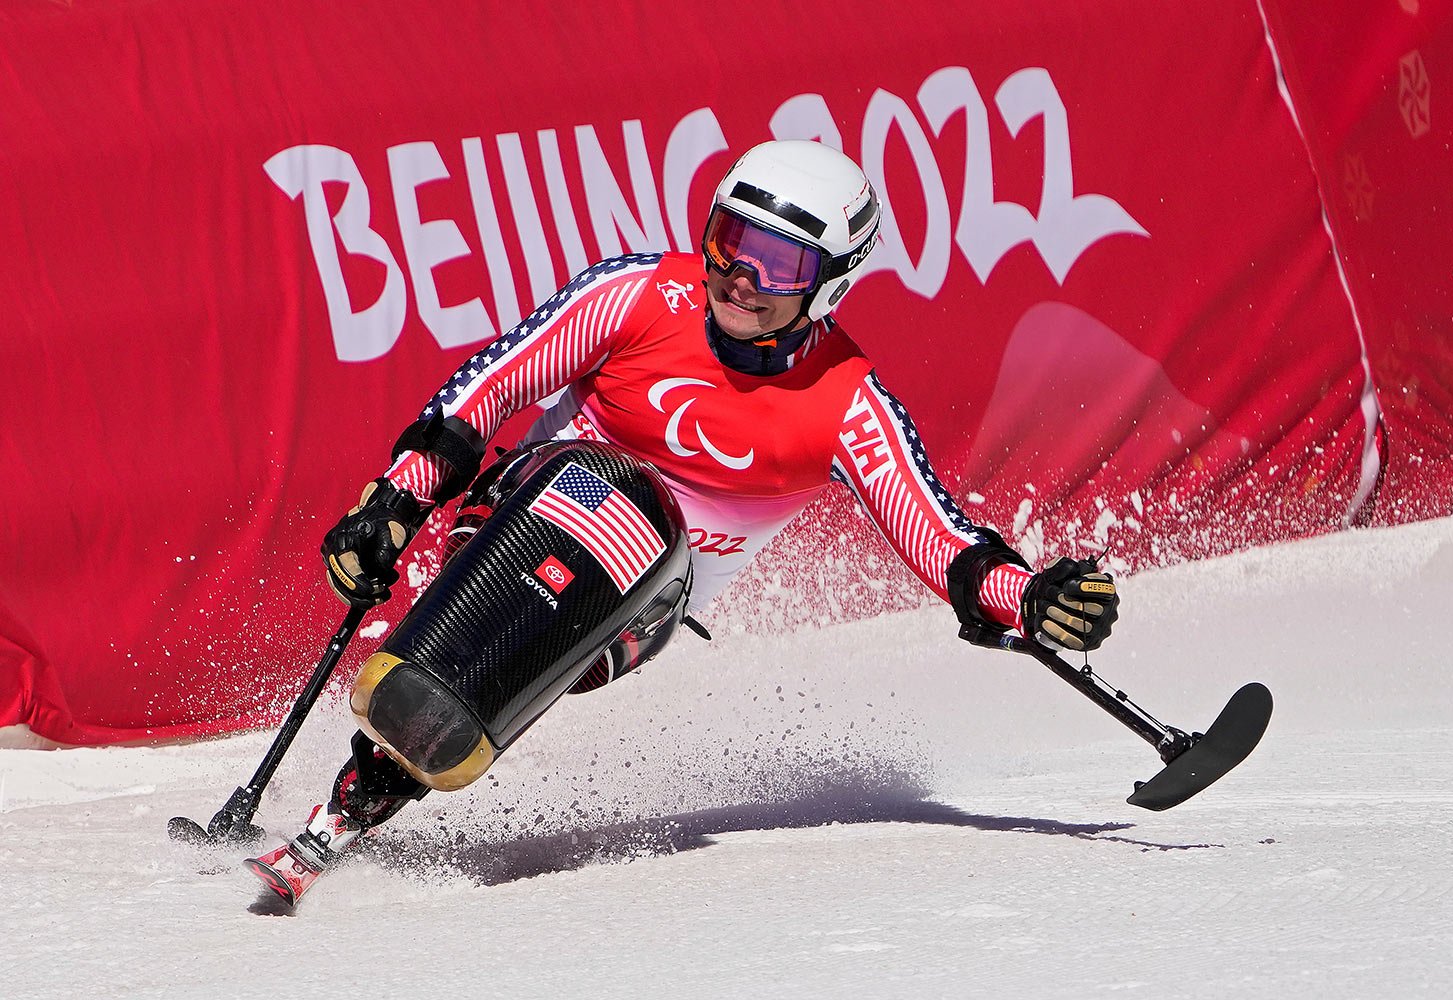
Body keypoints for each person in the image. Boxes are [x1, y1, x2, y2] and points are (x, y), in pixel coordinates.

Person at [246, 140, 1120, 905]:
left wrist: (1027, 592)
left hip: (642, 610)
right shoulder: (635, 296)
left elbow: (938, 536)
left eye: (779, 265)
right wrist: (396, 501)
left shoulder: (849, 403)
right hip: (523, 509)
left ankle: (380, 774)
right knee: (601, 490)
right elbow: (492, 385)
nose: (742, 277)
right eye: (732, 242)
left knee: (635, 518)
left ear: (832, 283)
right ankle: (354, 801)